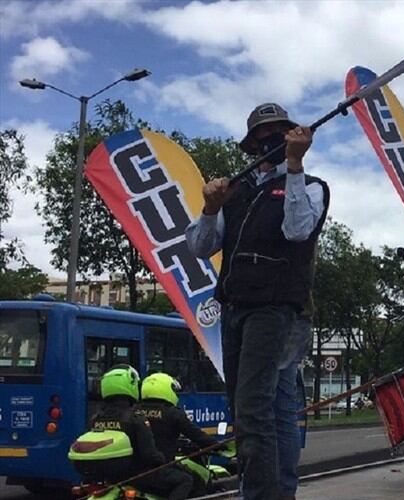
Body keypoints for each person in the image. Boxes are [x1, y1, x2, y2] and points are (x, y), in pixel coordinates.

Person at [185, 103, 329, 500]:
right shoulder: (239, 192)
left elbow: (298, 231)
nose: (268, 143)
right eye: (261, 138)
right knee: (257, 407)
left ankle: (262, 494)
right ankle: (275, 491)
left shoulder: (311, 185)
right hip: (235, 309)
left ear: (290, 139)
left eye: (277, 135)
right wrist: (210, 207)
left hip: (279, 310)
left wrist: (295, 166)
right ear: (250, 148)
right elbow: (200, 247)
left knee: (253, 409)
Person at [70, 365, 193, 500]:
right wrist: (163, 461)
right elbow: (149, 455)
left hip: (109, 478)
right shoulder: (135, 418)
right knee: (185, 480)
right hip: (139, 476)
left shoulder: (95, 418)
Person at [136, 372, 221, 496]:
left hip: (134, 471)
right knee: (188, 480)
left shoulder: (134, 411)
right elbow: (198, 436)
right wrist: (219, 445)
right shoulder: (173, 414)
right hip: (160, 469)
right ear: (165, 389)